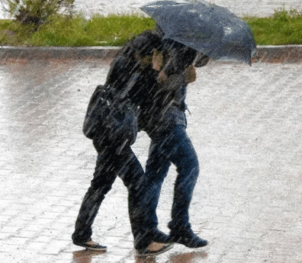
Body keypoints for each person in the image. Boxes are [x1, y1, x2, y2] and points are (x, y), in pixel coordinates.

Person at [72, 30, 174, 257]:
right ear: (147, 53)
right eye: (154, 54)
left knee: (100, 184)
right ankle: (144, 242)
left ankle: (81, 233)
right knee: (137, 183)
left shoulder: (124, 62)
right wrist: (157, 75)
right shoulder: (134, 70)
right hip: (113, 138)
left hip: (105, 132)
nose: (156, 58)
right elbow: (147, 99)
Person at [139, 38, 211, 249]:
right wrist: (183, 78)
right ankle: (179, 226)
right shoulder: (174, 46)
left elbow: (199, 62)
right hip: (166, 119)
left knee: (155, 173)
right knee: (189, 166)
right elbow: (160, 85)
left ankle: (147, 229)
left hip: (160, 118)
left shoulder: (176, 40)